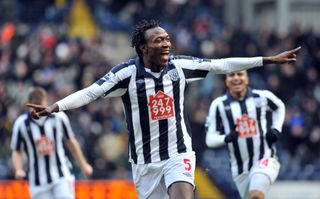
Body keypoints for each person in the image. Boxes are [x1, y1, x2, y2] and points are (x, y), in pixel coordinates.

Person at [26, 19, 299, 199]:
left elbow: (219, 65)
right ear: (143, 47)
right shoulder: (126, 74)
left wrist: (266, 60)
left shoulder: (179, 66)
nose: (166, 43)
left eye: (167, 38)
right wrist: (55, 107)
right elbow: (92, 93)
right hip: (144, 163)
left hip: (178, 154)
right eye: (159, 40)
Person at [205, 70, 285, 199]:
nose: (236, 78)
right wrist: (226, 138)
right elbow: (209, 139)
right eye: (231, 75)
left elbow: (280, 107)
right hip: (240, 169)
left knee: (256, 195)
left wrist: (276, 129)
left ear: (247, 79)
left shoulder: (262, 96)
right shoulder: (218, 105)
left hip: (265, 158)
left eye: (240, 74)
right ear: (226, 81)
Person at [11, 87, 93, 199]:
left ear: (45, 102)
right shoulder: (21, 124)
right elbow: (16, 150)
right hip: (37, 180)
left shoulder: (59, 118)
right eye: (35, 104)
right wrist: (18, 169)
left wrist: (83, 164)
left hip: (61, 176)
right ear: (29, 104)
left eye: (39, 104)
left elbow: (71, 141)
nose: (38, 108)